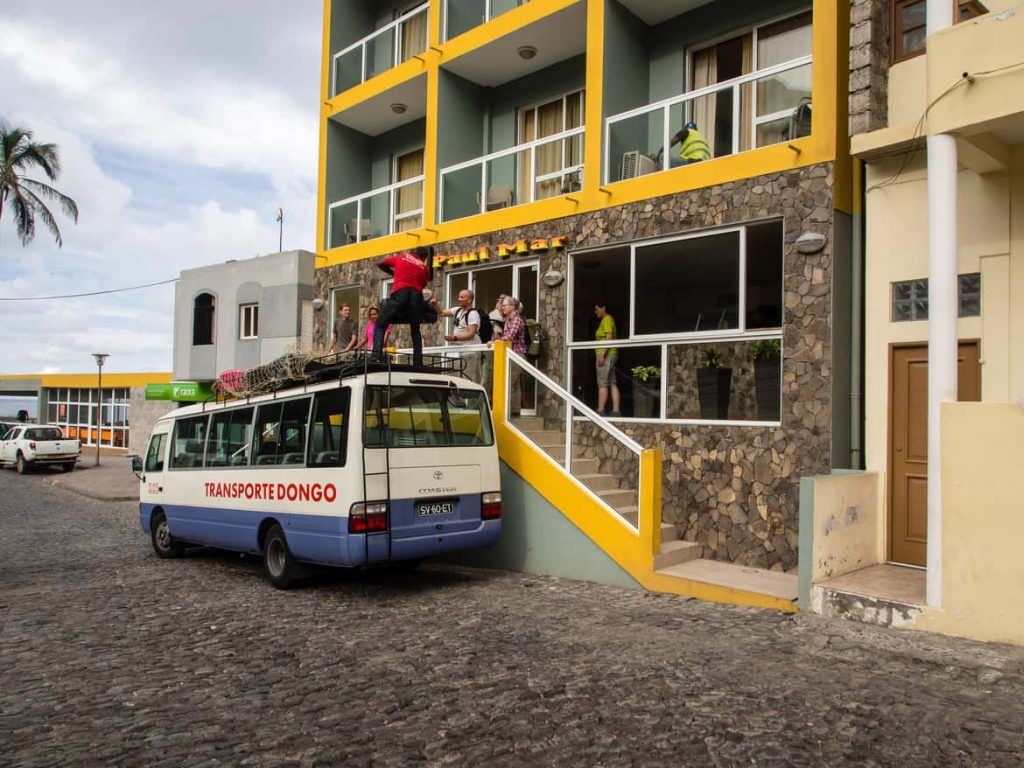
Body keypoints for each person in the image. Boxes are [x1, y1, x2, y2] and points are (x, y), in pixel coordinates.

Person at [373, 246, 433, 367]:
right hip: (416, 297)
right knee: (415, 330)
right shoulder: (424, 268)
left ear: (413, 252)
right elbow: (422, 284)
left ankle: (376, 358)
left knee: (380, 324)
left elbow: (379, 263)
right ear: (424, 258)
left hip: (401, 293)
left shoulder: (402, 257)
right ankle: (418, 362)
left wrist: (393, 273)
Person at [489, 296, 527, 415]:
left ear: (512, 307)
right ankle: (514, 411)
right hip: (511, 354)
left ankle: (506, 413)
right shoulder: (508, 320)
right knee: (514, 384)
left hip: (517, 354)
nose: (502, 308)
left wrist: (494, 342)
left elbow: (508, 337)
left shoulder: (517, 320)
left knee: (510, 383)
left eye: (504, 305)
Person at [437, 289, 483, 381]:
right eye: (459, 297)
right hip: (460, 350)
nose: (459, 299)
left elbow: (471, 334)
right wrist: (435, 306)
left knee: (469, 378)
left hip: (471, 351)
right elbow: (441, 312)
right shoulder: (457, 310)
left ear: (469, 300)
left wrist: (455, 338)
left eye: (462, 297)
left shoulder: (473, 314)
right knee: (460, 378)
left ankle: (470, 395)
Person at [594, 302, 621, 417]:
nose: (595, 312)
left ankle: (600, 410)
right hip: (611, 354)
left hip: (606, 355)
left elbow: (608, 336)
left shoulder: (607, 319)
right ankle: (615, 410)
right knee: (612, 382)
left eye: (597, 309)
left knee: (602, 383)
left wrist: (602, 353)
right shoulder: (608, 319)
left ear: (603, 308)